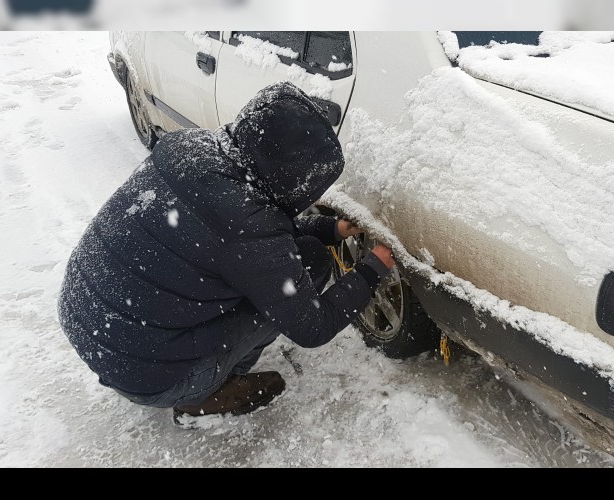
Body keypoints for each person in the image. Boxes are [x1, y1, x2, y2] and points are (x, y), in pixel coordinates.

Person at [57, 81, 394, 424]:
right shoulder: (247, 225)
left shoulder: (187, 146)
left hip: (91, 320)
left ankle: (185, 369)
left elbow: (243, 240)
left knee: (303, 256)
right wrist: (372, 270)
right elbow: (312, 326)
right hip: (146, 374)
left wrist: (329, 230)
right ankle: (205, 392)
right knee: (305, 274)